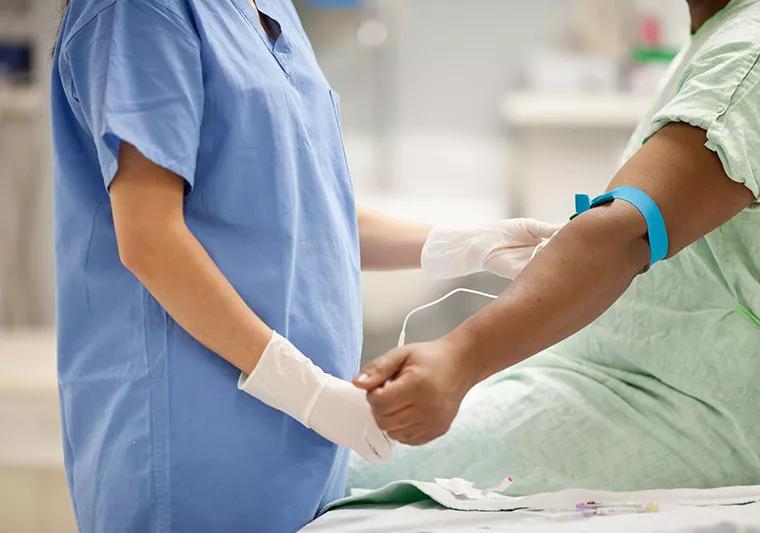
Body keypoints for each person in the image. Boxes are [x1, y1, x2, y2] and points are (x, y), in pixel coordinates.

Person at [50, 0, 559, 531]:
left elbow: (301, 210)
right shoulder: (140, 12)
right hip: (196, 440)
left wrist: (463, 244)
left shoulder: (267, 8)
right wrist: (308, 393)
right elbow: (151, 238)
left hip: (292, 445)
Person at [353, 0, 760, 494]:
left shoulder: (753, 55)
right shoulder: (718, 33)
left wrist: (459, 358)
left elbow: (626, 231)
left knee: (346, 471)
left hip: (688, 412)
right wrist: (455, 245)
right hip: (611, 377)